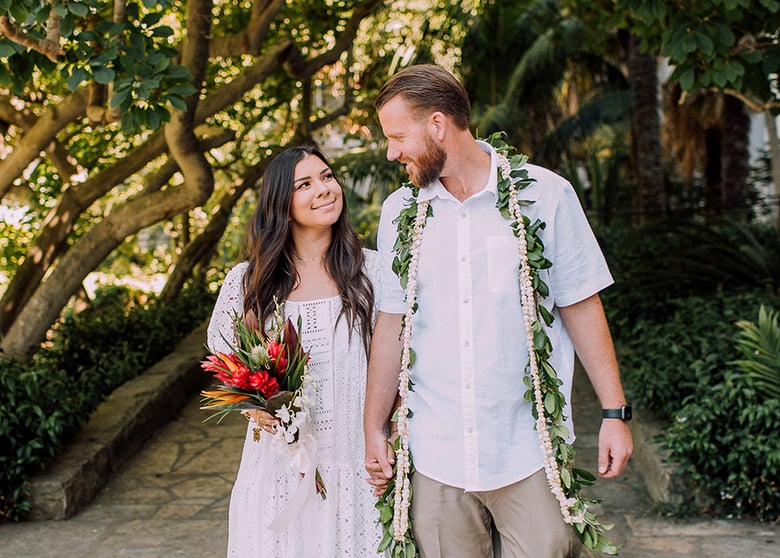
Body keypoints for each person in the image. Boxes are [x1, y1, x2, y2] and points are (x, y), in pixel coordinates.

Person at [364, 64, 633, 557]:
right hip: (435, 449)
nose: (392, 152)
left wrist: (615, 413)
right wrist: (373, 429)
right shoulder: (399, 213)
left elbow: (581, 303)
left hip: (527, 445)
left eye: (399, 136)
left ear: (438, 125)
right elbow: (390, 324)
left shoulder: (546, 195)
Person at [207, 146, 383, 557]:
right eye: (305, 184)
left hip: (357, 468)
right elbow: (226, 363)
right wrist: (252, 406)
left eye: (327, 176)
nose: (324, 189)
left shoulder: (371, 273)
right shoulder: (249, 283)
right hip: (276, 470)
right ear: (282, 205)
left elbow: (396, 367)